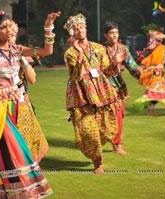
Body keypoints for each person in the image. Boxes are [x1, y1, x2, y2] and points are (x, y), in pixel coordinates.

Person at [0, 3, 60, 198]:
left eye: (10, 26)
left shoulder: (16, 50)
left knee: (2, 148)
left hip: (17, 105)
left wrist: (48, 26)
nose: (9, 30)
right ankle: (22, 187)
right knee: (12, 144)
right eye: (3, 27)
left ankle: (0, 188)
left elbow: (46, 51)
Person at [63, 14, 118, 174]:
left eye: (81, 26)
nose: (79, 30)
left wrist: (115, 63)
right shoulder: (70, 53)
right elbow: (76, 76)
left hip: (101, 94)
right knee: (88, 130)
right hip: (81, 95)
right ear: (72, 33)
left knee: (105, 130)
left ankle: (99, 151)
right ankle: (97, 162)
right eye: (75, 28)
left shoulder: (98, 48)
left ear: (86, 28)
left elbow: (106, 71)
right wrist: (79, 53)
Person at [8, 21, 49, 163]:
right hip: (1, 103)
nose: (10, 37)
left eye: (13, 34)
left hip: (21, 101)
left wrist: (23, 61)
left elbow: (32, 80)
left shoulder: (21, 53)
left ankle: (26, 166)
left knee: (27, 137)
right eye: (7, 33)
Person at [102, 21, 141, 155]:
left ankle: (114, 140)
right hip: (104, 87)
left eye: (116, 32)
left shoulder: (123, 49)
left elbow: (132, 66)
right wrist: (113, 63)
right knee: (116, 114)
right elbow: (97, 70)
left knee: (121, 114)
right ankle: (117, 145)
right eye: (111, 33)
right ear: (105, 35)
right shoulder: (100, 50)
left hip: (119, 88)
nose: (114, 35)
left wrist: (143, 74)